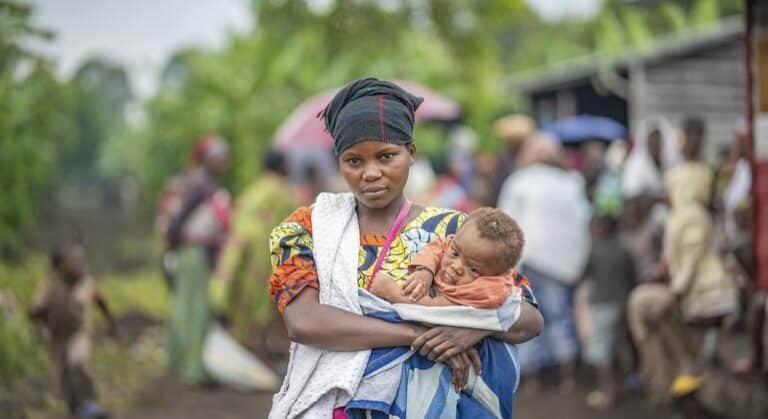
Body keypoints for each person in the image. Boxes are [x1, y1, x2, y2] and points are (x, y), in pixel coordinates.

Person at [268, 78, 543, 418]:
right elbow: (305, 321)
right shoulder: (305, 229)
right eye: (354, 161)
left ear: (411, 153)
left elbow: (528, 317)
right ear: (338, 161)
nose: (371, 173)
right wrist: (419, 334)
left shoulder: (455, 232)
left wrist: (471, 329)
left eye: (386, 157)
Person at [497, 134, 591, 393]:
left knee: (524, 315)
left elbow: (504, 223)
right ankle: (567, 374)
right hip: (561, 263)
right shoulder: (570, 182)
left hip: (526, 259)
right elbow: (582, 222)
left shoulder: (518, 181)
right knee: (560, 314)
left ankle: (531, 378)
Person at [165, 134, 231, 385]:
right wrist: (173, 244)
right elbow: (180, 217)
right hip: (193, 251)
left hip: (196, 251)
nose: (225, 161)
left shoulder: (205, 183)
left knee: (186, 304)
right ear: (208, 160)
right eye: (220, 157)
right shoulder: (201, 185)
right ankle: (192, 368)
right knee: (195, 308)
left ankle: (178, 361)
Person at [215, 149, 296, 350]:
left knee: (241, 298)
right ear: (283, 167)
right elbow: (293, 228)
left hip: (237, 248)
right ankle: (253, 347)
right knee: (258, 301)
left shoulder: (253, 189)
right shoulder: (283, 193)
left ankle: (239, 344)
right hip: (260, 253)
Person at [370, 207, 526, 309]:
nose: (456, 267)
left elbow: (432, 311)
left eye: (473, 269)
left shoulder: (486, 291)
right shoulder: (460, 243)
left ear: (496, 275)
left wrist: (391, 292)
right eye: (455, 254)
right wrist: (425, 271)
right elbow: (439, 246)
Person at [28, 242, 116, 419]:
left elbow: (100, 301)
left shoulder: (86, 284)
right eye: (74, 262)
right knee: (64, 372)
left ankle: (91, 403)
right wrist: (42, 311)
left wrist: (111, 323)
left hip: (79, 333)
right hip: (56, 337)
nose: (79, 266)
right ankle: (75, 406)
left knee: (78, 363)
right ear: (61, 266)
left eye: (81, 262)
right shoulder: (50, 287)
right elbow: (32, 311)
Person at [582, 214, 637, 410]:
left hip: (603, 304)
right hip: (623, 303)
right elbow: (633, 278)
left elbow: (584, 274)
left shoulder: (596, 250)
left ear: (601, 230)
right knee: (622, 344)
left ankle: (608, 393)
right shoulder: (624, 250)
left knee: (602, 350)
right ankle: (628, 384)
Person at [622, 115, 680, 199]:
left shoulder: (671, 164)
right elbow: (632, 192)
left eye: (658, 142)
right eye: (652, 142)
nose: (655, 145)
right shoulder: (636, 165)